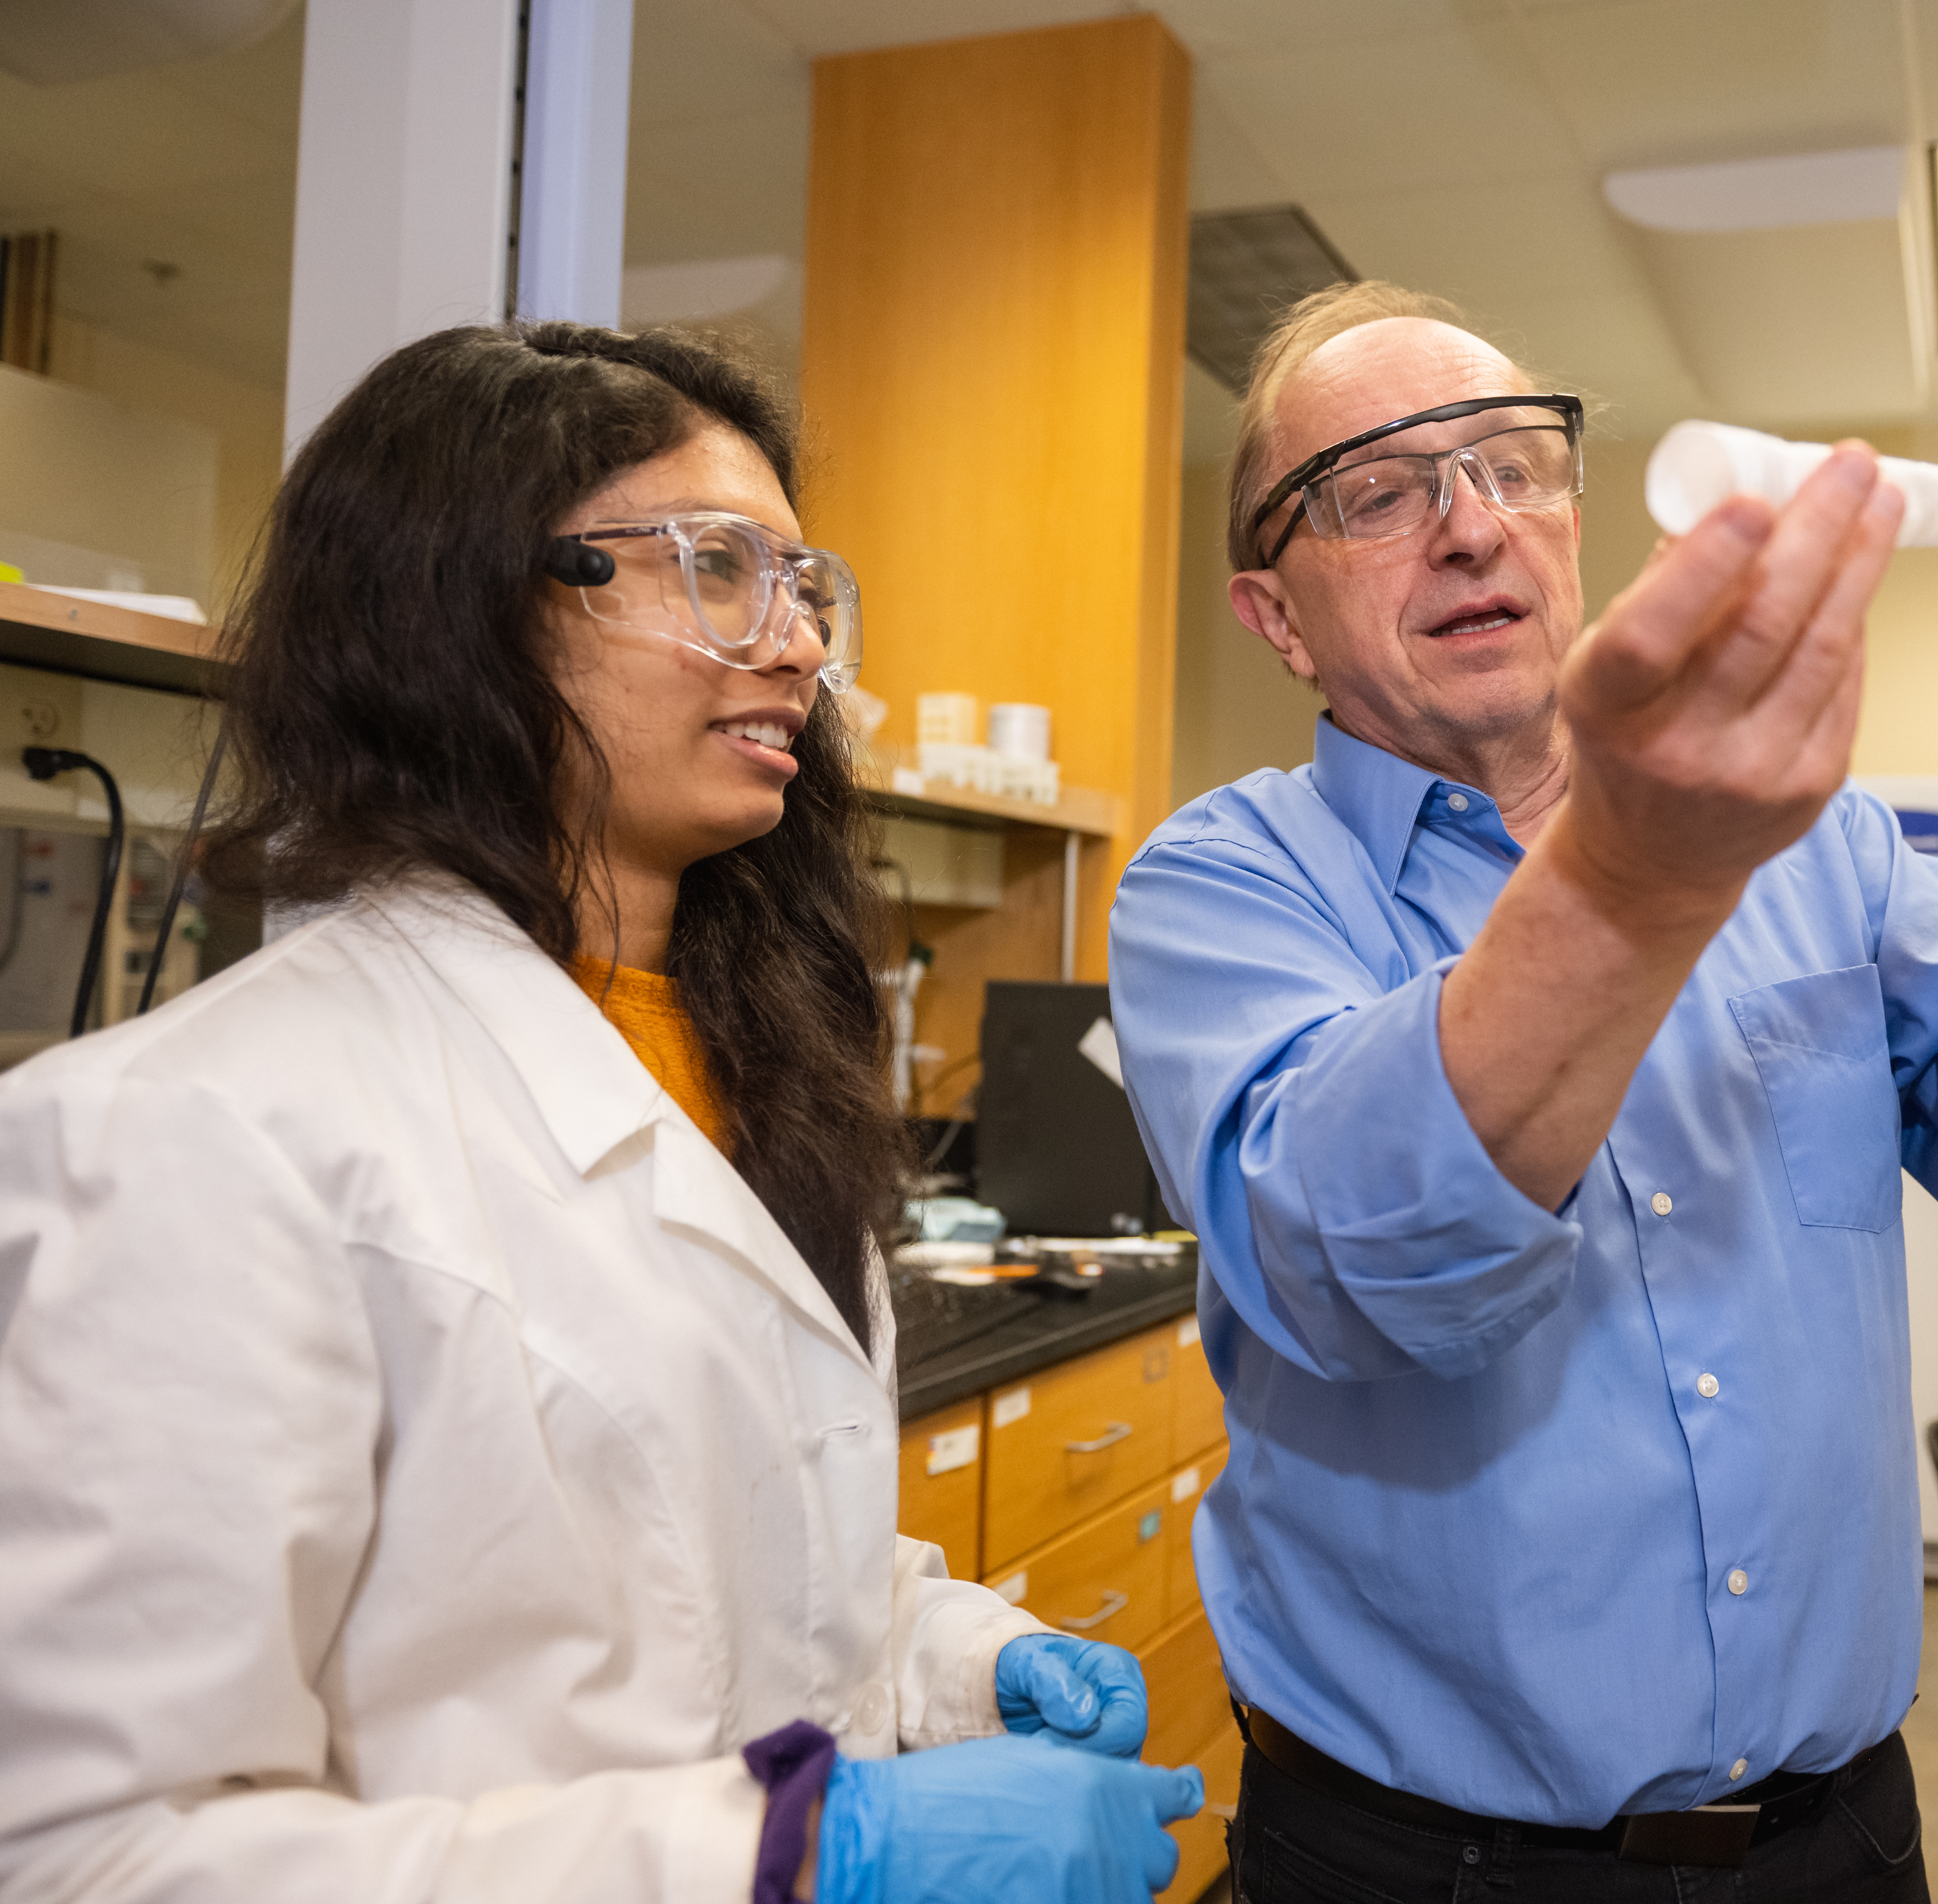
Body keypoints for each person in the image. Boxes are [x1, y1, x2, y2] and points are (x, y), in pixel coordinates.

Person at [0, 322, 1202, 1904]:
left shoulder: (744, 1070)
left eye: (804, 587)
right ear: (465, 604)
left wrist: (957, 1658)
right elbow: (91, 1854)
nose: (797, 648)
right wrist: (781, 1858)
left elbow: (726, 1560)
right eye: (715, 567)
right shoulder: (190, 1132)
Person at [1109, 283, 1938, 1900]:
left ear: (1572, 519)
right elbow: (1361, 1263)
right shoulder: (1226, 887)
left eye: (1513, 464)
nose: (1471, 529)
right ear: (1278, 617)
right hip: (1426, 1870)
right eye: (1378, 493)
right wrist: (1637, 873)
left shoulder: (1823, 847)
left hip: (1838, 1845)